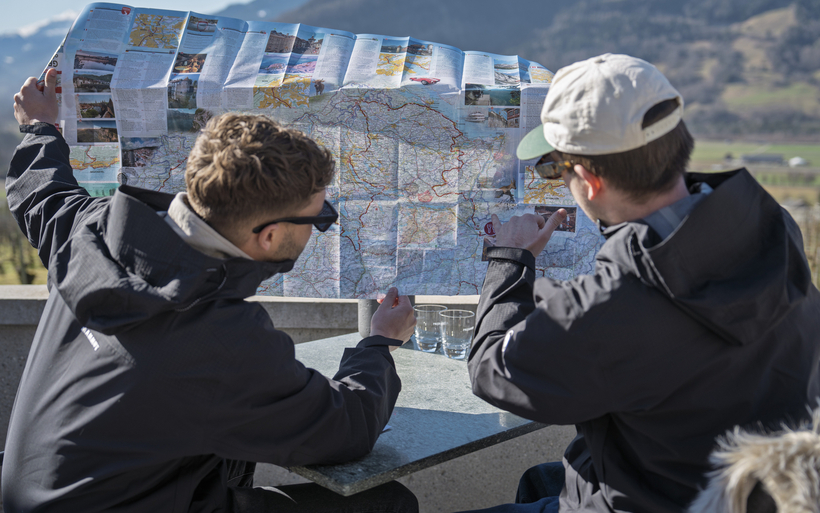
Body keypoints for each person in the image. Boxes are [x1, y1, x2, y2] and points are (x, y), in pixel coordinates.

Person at [2, 69, 419, 513]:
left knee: (232, 453)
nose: (320, 228)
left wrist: (39, 128)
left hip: (34, 493)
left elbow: (42, 197)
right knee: (387, 503)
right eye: (318, 219)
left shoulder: (95, 230)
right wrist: (379, 344)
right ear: (270, 235)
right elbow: (346, 428)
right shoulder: (218, 337)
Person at [466, 53, 820, 513]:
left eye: (554, 167)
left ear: (589, 181)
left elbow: (493, 370)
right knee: (542, 479)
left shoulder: (615, 305)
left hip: (655, 500)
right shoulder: (773, 227)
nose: (555, 177)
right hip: (742, 490)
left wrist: (510, 261)